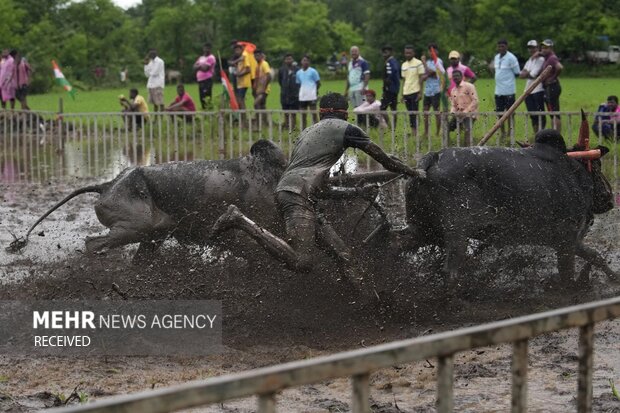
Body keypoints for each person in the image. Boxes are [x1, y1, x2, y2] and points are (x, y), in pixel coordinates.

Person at [210, 92, 422, 287]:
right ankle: (239, 220)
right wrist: (413, 172)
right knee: (302, 261)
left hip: (297, 194)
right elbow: (385, 160)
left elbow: (322, 189)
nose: (348, 114)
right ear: (341, 112)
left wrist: (358, 192)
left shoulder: (308, 133)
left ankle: (371, 303)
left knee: (344, 256)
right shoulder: (346, 129)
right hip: (298, 196)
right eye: (347, 110)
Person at [489, 39, 520, 138]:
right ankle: (502, 133)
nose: (501, 48)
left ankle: (510, 133)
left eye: (502, 46)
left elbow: (517, 73)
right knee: (499, 113)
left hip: (509, 91)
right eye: (499, 46)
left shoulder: (512, 58)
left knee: (510, 113)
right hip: (498, 91)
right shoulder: (497, 57)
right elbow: (495, 70)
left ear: (507, 46)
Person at [519, 40, 546, 132]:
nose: (531, 50)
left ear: (537, 48)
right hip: (528, 90)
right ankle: (536, 134)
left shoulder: (541, 60)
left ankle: (542, 133)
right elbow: (521, 75)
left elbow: (533, 75)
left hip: (538, 89)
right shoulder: (529, 60)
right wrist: (527, 73)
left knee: (540, 114)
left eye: (533, 47)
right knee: (532, 115)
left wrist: (526, 73)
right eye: (530, 48)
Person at [449, 70, 479, 146]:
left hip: (470, 114)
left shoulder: (469, 86)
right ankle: (448, 145)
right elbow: (453, 104)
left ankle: (468, 148)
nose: (455, 77)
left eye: (457, 76)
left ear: (462, 77)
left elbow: (475, 101)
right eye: (454, 76)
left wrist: (465, 112)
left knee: (467, 131)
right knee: (447, 128)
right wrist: (453, 112)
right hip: (459, 114)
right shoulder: (453, 90)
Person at [421, 43, 446, 137]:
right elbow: (426, 74)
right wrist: (425, 75)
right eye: (430, 51)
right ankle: (426, 132)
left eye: (433, 51)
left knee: (436, 111)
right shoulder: (428, 62)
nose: (431, 53)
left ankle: (437, 132)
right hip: (427, 91)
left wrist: (424, 64)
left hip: (436, 90)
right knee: (425, 111)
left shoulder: (438, 61)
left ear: (436, 51)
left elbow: (433, 73)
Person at [401, 45, 425, 135]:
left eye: (409, 53)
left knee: (414, 112)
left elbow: (421, 78)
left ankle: (416, 133)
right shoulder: (404, 65)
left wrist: (420, 92)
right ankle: (413, 131)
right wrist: (402, 94)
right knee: (410, 113)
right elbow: (404, 80)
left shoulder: (418, 63)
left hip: (415, 91)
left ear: (413, 53)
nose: (408, 54)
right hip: (406, 91)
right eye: (406, 53)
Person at [540, 39, 563, 132]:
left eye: (546, 48)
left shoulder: (552, 58)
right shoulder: (547, 58)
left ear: (551, 48)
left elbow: (559, 67)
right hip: (549, 87)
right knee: (551, 112)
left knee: (555, 112)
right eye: (542, 47)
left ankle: (557, 134)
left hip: (552, 87)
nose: (543, 49)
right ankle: (554, 132)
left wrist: (552, 78)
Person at [296, 55, 320, 130]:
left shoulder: (313, 71)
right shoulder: (298, 73)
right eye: (304, 60)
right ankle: (303, 130)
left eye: (307, 60)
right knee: (303, 115)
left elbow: (318, 82)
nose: (305, 62)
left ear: (309, 62)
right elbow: (299, 84)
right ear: (301, 62)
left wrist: (314, 91)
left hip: (312, 96)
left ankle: (317, 130)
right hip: (303, 97)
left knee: (314, 114)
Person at [278, 53, 299, 130]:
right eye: (287, 59)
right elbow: (280, 81)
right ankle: (287, 125)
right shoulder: (282, 70)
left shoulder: (297, 70)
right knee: (285, 111)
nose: (289, 60)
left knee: (293, 112)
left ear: (293, 60)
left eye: (290, 59)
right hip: (284, 93)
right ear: (284, 60)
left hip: (294, 94)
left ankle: (293, 126)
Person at [380, 46, 400, 125]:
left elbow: (394, 70)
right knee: (393, 108)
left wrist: (388, 81)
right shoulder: (392, 61)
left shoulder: (390, 61)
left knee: (382, 108)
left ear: (391, 53)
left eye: (386, 52)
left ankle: (390, 126)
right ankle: (393, 127)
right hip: (393, 89)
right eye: (383, 53)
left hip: (390, 89)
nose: (384, 55)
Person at [193, 43, 216, 110]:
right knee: (202, 98)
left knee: (207, 98)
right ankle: (204, 113)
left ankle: (209, 112)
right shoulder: (201, 57)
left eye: (207, 48)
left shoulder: (211, 57)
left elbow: (205, 69)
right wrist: (201, 66)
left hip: (207, 80)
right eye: (205, 48)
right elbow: (194, 67)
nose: (206, 50)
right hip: (200, 81)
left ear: (210, 49)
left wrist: (199, 66)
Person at [143, 48, 165, 112]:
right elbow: (147, 74)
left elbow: (154, 72)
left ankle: (161, 117)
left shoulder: (160, 61)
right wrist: (146, 65)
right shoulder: (151, 62)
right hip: (151, 84)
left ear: (155, 54)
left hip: (158, 84)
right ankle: (155, 118)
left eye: (151, 53)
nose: (150, 55)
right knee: (155, 103)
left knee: (160, 102)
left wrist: (149, 71)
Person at [253, 50, 271, 125]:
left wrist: (264, 88)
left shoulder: (264, 64)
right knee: (262, 105)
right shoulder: (257, 65)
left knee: (256, 104)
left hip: (264, 89)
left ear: (261, 56)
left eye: (258, 55)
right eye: (255, 56)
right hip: (259, 89)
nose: (256, 57)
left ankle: (258, 122)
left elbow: (269, 76)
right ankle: (265, 122)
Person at [232, 43, 252, 110]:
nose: (237, 51)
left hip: (244, 82)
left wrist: (239, 74)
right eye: (235, 50)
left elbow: (248, 69)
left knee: (241, 99)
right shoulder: (240, 59)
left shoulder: (245, 56)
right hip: (240, 82)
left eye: (238, 50)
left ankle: (244, 117)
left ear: (242, 49)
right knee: (239, 99)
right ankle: (242, 116)